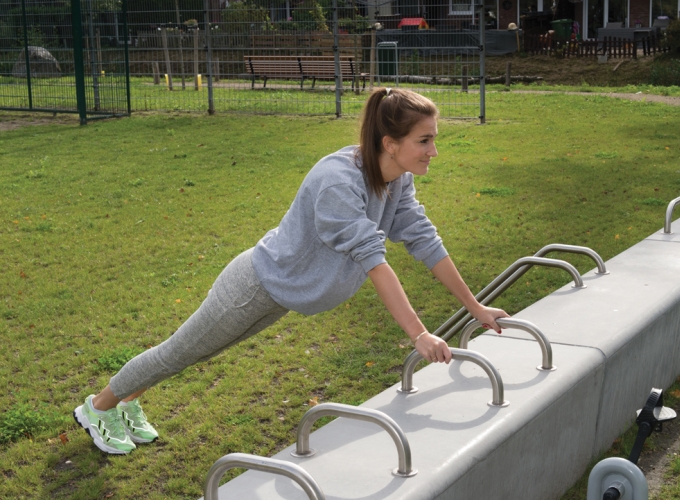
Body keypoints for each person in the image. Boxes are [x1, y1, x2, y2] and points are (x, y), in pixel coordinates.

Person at [73, 87, 509, 455]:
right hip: (255, 286)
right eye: (425, 140)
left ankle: (127, 399)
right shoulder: (339, 180)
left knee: (197, 352)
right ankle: (97, 406)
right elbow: (375, 263)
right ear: (391, 142)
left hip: (283, 294)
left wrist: (475, 308)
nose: (434, 151)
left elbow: (423, 240)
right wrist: (418, 335)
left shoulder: (397, 179)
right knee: (180, 351)